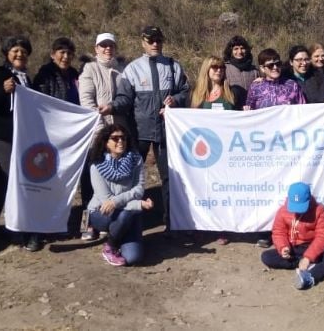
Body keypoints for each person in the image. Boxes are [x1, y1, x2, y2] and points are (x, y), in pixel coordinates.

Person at [112, 26, 189, 233]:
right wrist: (111, 107)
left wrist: (176, 100)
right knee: (132, 178)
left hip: (167, 132)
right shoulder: (132, 69)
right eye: (150, 40)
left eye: (158, 40)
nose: (155, 44)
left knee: (170, 178)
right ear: (143, 43)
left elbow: (185, 92)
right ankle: (131, 224)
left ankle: (171, 223)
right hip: (140, 132)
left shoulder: (174, 66)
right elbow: (124, 99)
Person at [0, 36, 42, 251]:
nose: (20, 54)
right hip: (2, 137)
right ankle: (27, 230)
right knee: (17, 179)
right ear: (7, 53)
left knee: (2, 180)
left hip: (23, 137)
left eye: (24, 51)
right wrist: (3, 90)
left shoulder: (27, 78)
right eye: (15, 51)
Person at [245, 48, 306, 247]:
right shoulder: (256, 88)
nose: (275, 68)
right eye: (270, 65)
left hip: (288, 148)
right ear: (262, 68)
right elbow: (249, 113)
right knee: (266, 188)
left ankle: (289, 229)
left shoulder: (292, 85)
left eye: (277, 63)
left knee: (286, 187)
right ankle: (266, 230)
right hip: (264, 148)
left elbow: (304, 113)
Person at [190, 56, 244, 244]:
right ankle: (203, 226)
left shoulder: (233, 92)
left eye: (221, 67)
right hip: (205, 151)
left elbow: (243, 116)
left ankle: (222, 227)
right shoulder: (196, 94)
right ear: (206, 69)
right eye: (214, 67)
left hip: (227, 150)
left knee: (222, 190)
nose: (218, 70)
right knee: (203, 189)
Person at [79, 32, 125, 240]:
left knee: (112, 181)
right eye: (103, 45)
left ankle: (106, 220)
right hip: (96, 135)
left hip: (118, 136)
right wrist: (101, 133)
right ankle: (86, 225)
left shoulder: (122, 70)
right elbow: (87, 102)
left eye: (111, 45)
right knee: (90, 182)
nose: (107, 49)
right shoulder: (89, 69)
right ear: (96, 48)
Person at [87, 124, 153, 266]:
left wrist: (117, 201)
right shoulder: (96, 165)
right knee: (125, 214)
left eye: (123, 138)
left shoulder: (136, 159)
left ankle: (119, 234)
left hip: (128, 213)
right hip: (101, 212)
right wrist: (139, 204)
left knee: (133, 258)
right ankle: (110, 246)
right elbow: (106, 201)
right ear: (106, 142)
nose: (120, 141)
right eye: (115, 138)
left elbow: (139, 189)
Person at [260, 182, 324, 290]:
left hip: (314, 248)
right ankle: (306, 264)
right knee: (267, 257)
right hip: (294, 249)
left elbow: (323, 237)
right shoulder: (283, 211)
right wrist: (283, 247)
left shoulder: (319, 211)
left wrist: (308, 257)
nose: (297, 211)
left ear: (309, 200)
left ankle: (310, 275)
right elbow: (278, 232)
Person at [33, 37, 80, 105]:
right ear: (52, 54)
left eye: (69, 53)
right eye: (62, 52)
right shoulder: (45, 75)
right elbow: (40, 100)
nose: (66, 56)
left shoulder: (74, 74)